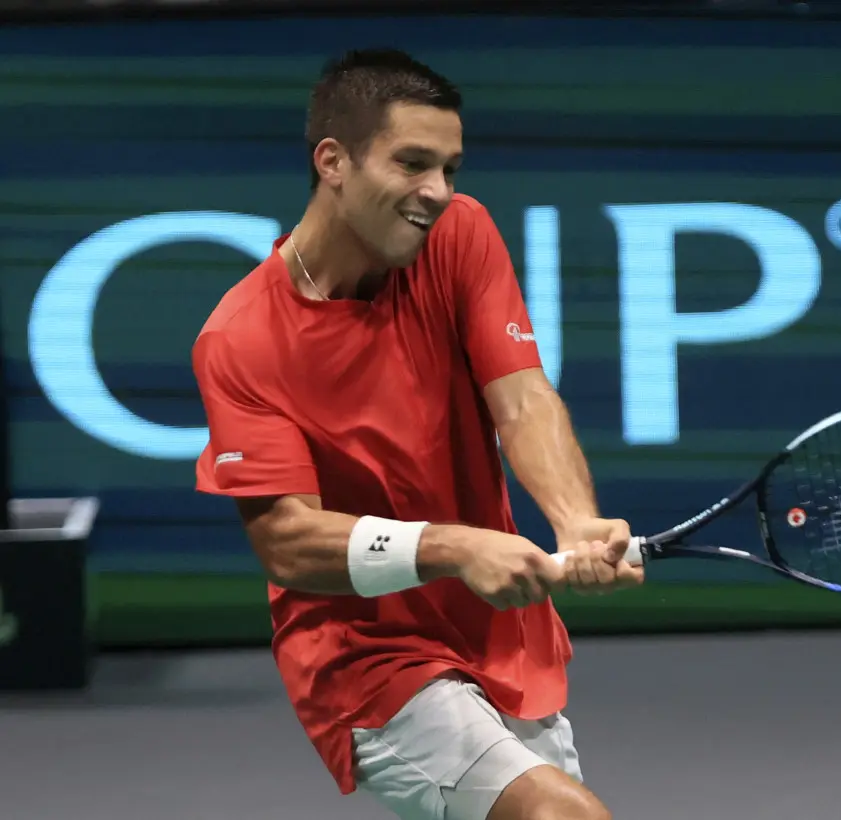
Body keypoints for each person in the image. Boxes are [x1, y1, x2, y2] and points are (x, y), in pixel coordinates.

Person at [191, 48, 643, 820]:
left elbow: (525, 399)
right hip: (364, 658)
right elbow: (288, 542)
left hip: (498, 636)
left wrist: (575, 518)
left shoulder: (459, 236)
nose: (437, 191)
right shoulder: (240, 338)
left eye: (450, 168)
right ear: (333, 161)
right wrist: (455, 546)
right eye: (412, 163)